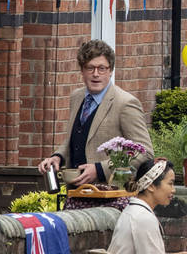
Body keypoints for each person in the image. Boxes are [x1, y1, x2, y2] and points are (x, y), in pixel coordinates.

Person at [38, 39, 154, 187]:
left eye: (102, 68)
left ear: (110, 70)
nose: (96, 74)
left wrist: (100, 170)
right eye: (90, 68)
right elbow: (77, 137)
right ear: (82, 70)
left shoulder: (125, 103)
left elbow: (145, 153)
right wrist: (58, 156)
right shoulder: (76, 97)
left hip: (109, 195)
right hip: (75, 194)